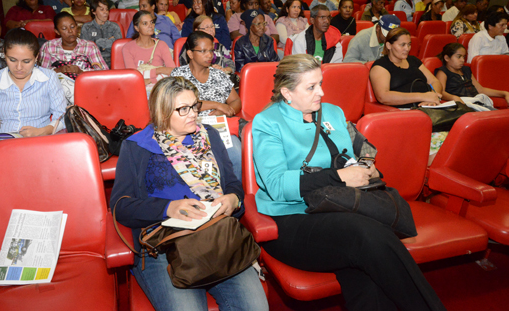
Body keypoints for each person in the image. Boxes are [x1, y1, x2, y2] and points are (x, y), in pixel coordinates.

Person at [251, 54, 446, 311]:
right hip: (293, 220)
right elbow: (276, 186)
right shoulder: (268, 122)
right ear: (287, 92)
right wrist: (339, 176)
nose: (321, 92)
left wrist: (367, 166)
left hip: (343, 207)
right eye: (311, 87)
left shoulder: (333, 112)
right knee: (369, 235)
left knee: (366, 275)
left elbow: (363, 150)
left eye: (320, 83)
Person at [109, 75, 267, 311]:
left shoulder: (209, 136)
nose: (193, 113)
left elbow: (233, 184)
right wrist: (167, 208)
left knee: (255, 308)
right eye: (183, 109)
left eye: (195, 106)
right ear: (162, 112)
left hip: (216, 238)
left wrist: (233, 199)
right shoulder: (137, 146)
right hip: (163, 246)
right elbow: (121, 206)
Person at [0, 29, 66, 173]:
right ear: (4, 54)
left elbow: (62, 116)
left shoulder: (48, 78)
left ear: (36, 57)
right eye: (12, 60)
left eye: (27, 61)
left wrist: (44, 130)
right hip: (0, 149)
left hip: (39, 145)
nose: (19, 68)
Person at [171, 32, 243, 180]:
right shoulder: (179, 75)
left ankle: (235, 196)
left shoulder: (219, 75)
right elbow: (179, 105)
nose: (209, 55)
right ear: (190, 53)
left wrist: (225, 111)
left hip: (219, 127)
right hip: (190, 128)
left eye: (211, 50)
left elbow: (236, 102)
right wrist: (217, 104)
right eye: (203, 51)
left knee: (236, 154)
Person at [370, 27, 442, 108]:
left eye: (409, 44)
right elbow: (383, 96)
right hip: (403, 110)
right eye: (402, 45)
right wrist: (423, 96)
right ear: (389, 45)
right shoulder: (381, 65)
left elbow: (435, 81)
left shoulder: (414, 60)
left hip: (428, 106)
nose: (407, 49)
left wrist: (433, 97)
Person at [39, 12, 108, 79]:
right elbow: (41, 74)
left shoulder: (89, 46)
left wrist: (81, 72)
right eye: (64, 28)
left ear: (77, 26)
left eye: (72, 27)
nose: (70, 31)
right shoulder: (49, 46)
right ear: (57, 31)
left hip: (84, 86)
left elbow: (104, 72)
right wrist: (58, 70)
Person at [435, 43, 509, 105]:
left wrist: (504, 93)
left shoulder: (466, 69)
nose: (462, 60)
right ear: (447, 58)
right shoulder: (443, 72)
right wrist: (454, 97)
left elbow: (481, 90)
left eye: (464, 57)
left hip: (475, 101)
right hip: (460, 105)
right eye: (459, 57)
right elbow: (441, 92)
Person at [122, 10, 175, 87]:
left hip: (160, 88)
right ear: (137, 28)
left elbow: (172, 71)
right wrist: (160, 70)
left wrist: (149, 78)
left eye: (151, 22)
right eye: (145, 23)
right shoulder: (128, 48)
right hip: (139, 88)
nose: (150, 25)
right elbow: (134, 77)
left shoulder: (161, 45)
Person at [80, 0, 122, 67]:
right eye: (102, 10)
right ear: (93, 11)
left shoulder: (114, 26)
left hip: (113, 60)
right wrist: (109, 41)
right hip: (93, 61)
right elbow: (85, 49)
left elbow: (118, 47)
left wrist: (95, 43)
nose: (106, 12)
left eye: (107, 9)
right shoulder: (87, 27)